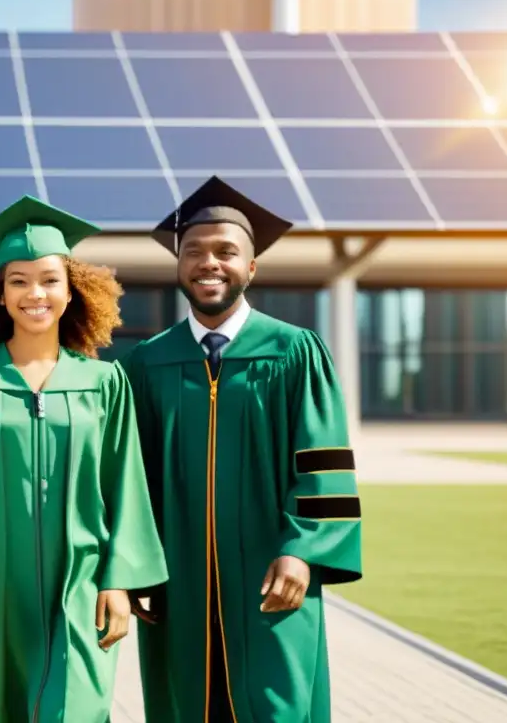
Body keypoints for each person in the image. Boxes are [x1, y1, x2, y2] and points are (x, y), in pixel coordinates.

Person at [119, 176, 363, 723]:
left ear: (251, 267)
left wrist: (304, 549)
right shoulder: (144, 364)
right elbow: (128, 478)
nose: (210, 263)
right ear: (178, 264)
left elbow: (323, 463)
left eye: (227, 252)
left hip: (271, 577)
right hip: (175, 583)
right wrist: (134, 566)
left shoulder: (295, 352)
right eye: (195, 252)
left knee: (276, 704)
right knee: (186, 705)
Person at [0, 195, 168, 723]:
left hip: (79, 585)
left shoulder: (104, 382)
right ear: (1, 295)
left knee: (75, 708)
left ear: (72, 289)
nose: (36, 293)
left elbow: (125, 483)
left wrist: (118, 580)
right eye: (19, 281)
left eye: (50, 280)